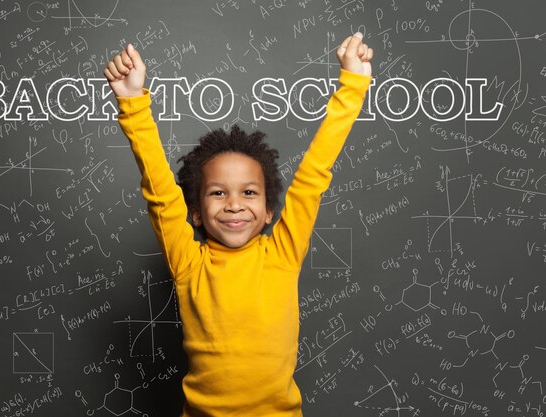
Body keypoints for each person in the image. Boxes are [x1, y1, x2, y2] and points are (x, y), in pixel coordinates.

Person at [104, 33, 373, 417]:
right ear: (195, 213)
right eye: (217, 193)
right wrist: (132, 103)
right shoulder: (188, 263)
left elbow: (313, 174)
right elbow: (160, 193)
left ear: (268, 211)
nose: (234, 205)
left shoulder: (282, 253)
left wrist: (352, 85)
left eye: (249, 193)